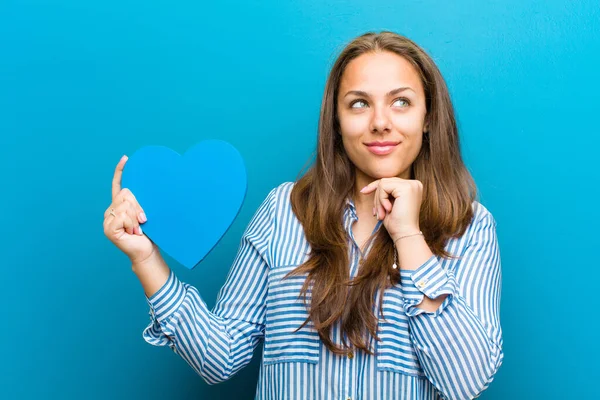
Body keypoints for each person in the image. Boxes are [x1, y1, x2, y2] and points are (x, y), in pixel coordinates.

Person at [103, 31, 503, 400]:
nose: (381, 123)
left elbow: (464, 382)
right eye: (359, 103)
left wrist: (410, 238)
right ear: (336, 120)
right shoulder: (283, 211)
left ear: (428, 116)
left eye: (401, 102)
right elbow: (219, 356)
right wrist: (145, 258)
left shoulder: (468, 226)